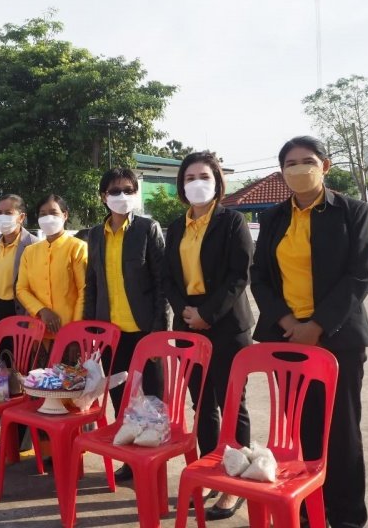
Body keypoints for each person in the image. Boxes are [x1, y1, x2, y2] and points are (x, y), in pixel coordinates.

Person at [251, 136, 368, 528]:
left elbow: (359, 276)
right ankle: (306, 510)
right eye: (290, 163)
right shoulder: (273, 218)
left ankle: (347, 517)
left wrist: (318, 326)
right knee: (300, 429)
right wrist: (289, 323)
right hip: (286, 339)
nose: (298, 169)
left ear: (326, 165)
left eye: (307, 161)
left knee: (340, 432)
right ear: (282, 171)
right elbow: (260, 279)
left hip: (338, 339)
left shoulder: (352, 212)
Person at [161, 152, 254, 518]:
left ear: (216, 181)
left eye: (203, 175)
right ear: (181, 186)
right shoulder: (175, 226)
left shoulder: (232, 221)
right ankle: (213, 472)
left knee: (234, 404)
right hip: (188, 323)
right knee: (202, 406)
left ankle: (237, 482)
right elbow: (167, 276)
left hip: (227, 324)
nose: (196, 182)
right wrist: (187, 312)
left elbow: (239, 274)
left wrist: (207, 314)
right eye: (189, 177)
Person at [84, 168, 168, 482]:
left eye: (127, 190)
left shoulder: (148, 228)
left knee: (153, 398)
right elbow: (91, 284)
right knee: (122, 399)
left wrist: (160, 329)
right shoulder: (94, 234)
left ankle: (155, 459)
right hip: (111, 333)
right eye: (114, 191)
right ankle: (131, 461)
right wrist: (90, 328)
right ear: (103, 196)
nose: (121, 196)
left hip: (145, 330)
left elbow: (162, 283)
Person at [16, 194, 87, 346]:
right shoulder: (30, 251)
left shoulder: (77, 247)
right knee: (37, 370)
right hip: (38, 331)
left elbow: (84, 292)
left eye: (53, 213)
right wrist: (42, 310)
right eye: (43, 214)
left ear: (65, 215)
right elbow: (21, 289)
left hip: (68, 332)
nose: (48, 218)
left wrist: (75, 332)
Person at [0, 194, 38, 330]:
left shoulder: (33, 244)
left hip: (17, 311)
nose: (2, 217)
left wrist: (30, 322)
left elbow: (36, 288)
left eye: (8, 213)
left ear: (21, 217)